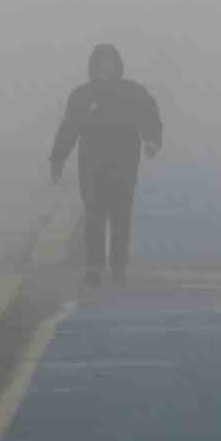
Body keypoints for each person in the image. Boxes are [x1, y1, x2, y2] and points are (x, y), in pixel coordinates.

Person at [49, 44, 162, 286]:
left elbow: (150, 117)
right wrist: (57, 159)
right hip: (91, 166)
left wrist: (152, 140)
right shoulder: (82, 96)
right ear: (93, 67)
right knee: (94, 215)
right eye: (100, 65)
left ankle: (119, 265)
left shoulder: (133, 92)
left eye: (109, 64)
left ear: (117, 66)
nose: (104, 69)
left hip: (124, 165)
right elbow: (68, 129)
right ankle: (94, 265)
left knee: (121, 216)